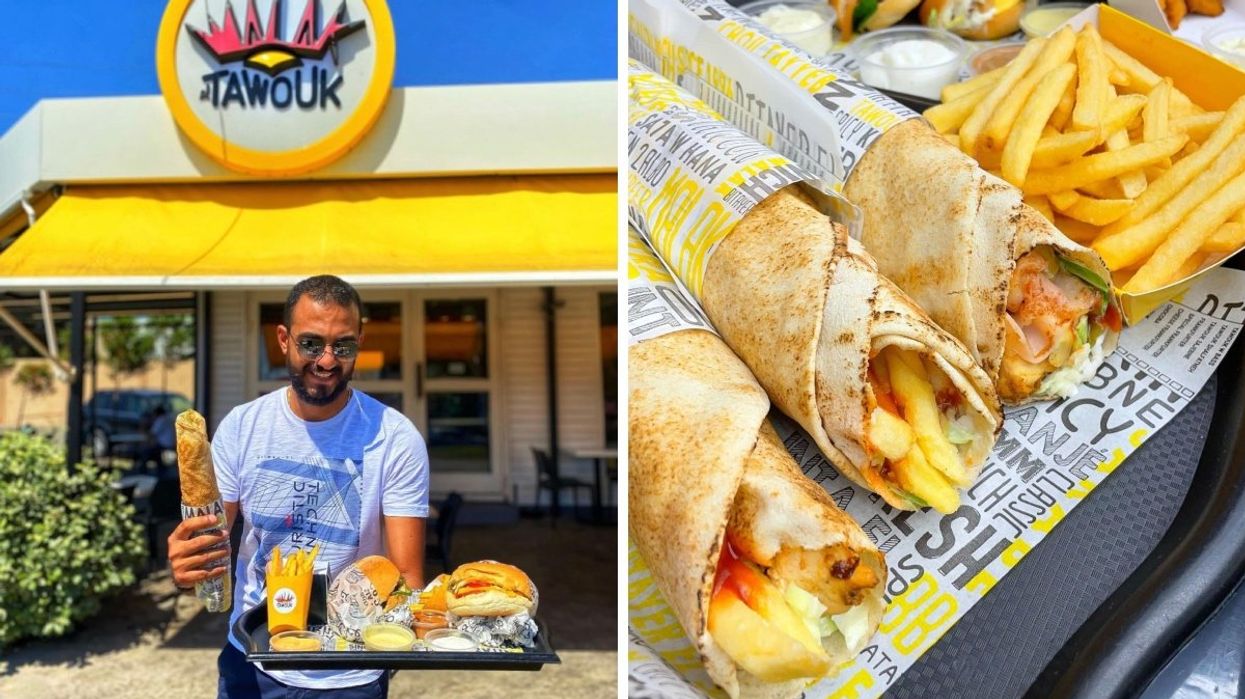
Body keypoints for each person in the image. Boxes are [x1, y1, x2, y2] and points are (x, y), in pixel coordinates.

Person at [167, 275, 430, 698]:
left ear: (359, 342)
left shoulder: (396, 438)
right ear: (283, 339)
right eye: (311, 344)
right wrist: (188, 566)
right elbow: (210, 546)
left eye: (342, 346)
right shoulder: (243, 427)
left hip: (350, 674)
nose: (326, 361)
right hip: (252, 658)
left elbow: (406, 579)